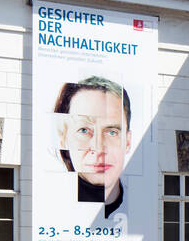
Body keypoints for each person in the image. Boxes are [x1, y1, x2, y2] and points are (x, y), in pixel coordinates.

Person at [54, 76, 132, 218]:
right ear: (64, 140)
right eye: (84, 130)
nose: (98, 148)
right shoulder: (53, 209)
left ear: (127, 141)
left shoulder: (142, 209)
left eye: (112, 132)